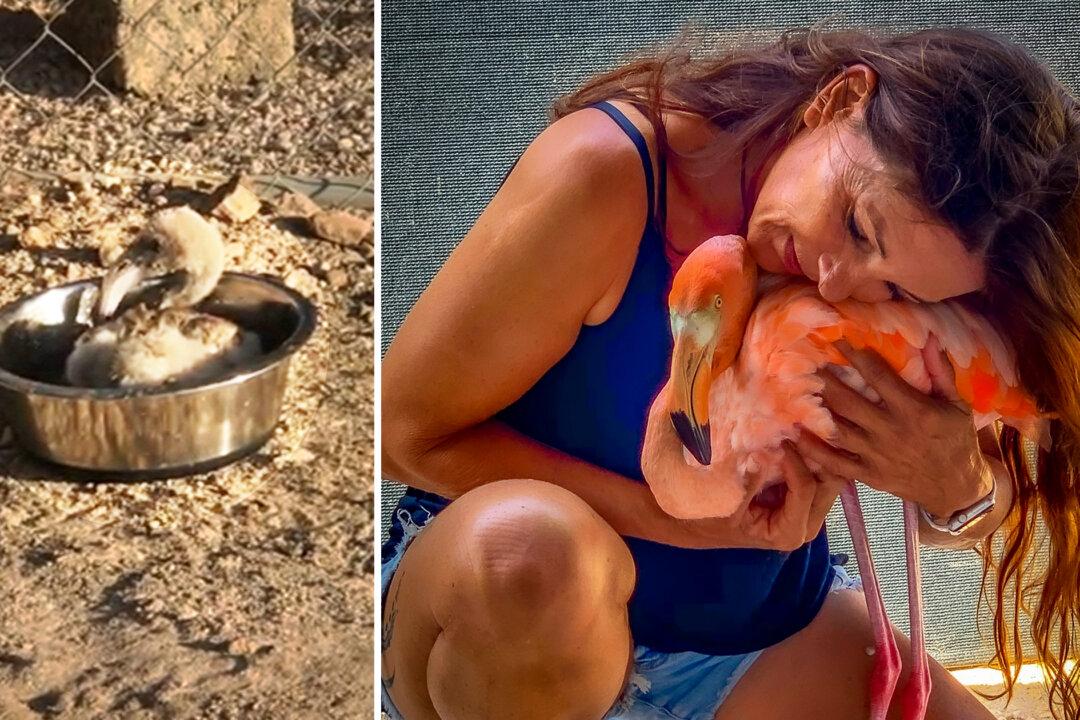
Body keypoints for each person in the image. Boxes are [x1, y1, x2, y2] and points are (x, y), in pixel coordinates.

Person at [381, 26, 1080, 720]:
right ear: (839, 101)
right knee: (528, 555)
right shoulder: (606, 174)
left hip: (748, 638)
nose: (838, 289)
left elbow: (967, 507)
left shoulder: (896, 277)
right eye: (860, 228)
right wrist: (687, 524)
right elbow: (400, 435)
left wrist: (953, 489)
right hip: (502, 618)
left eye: (902, 292)